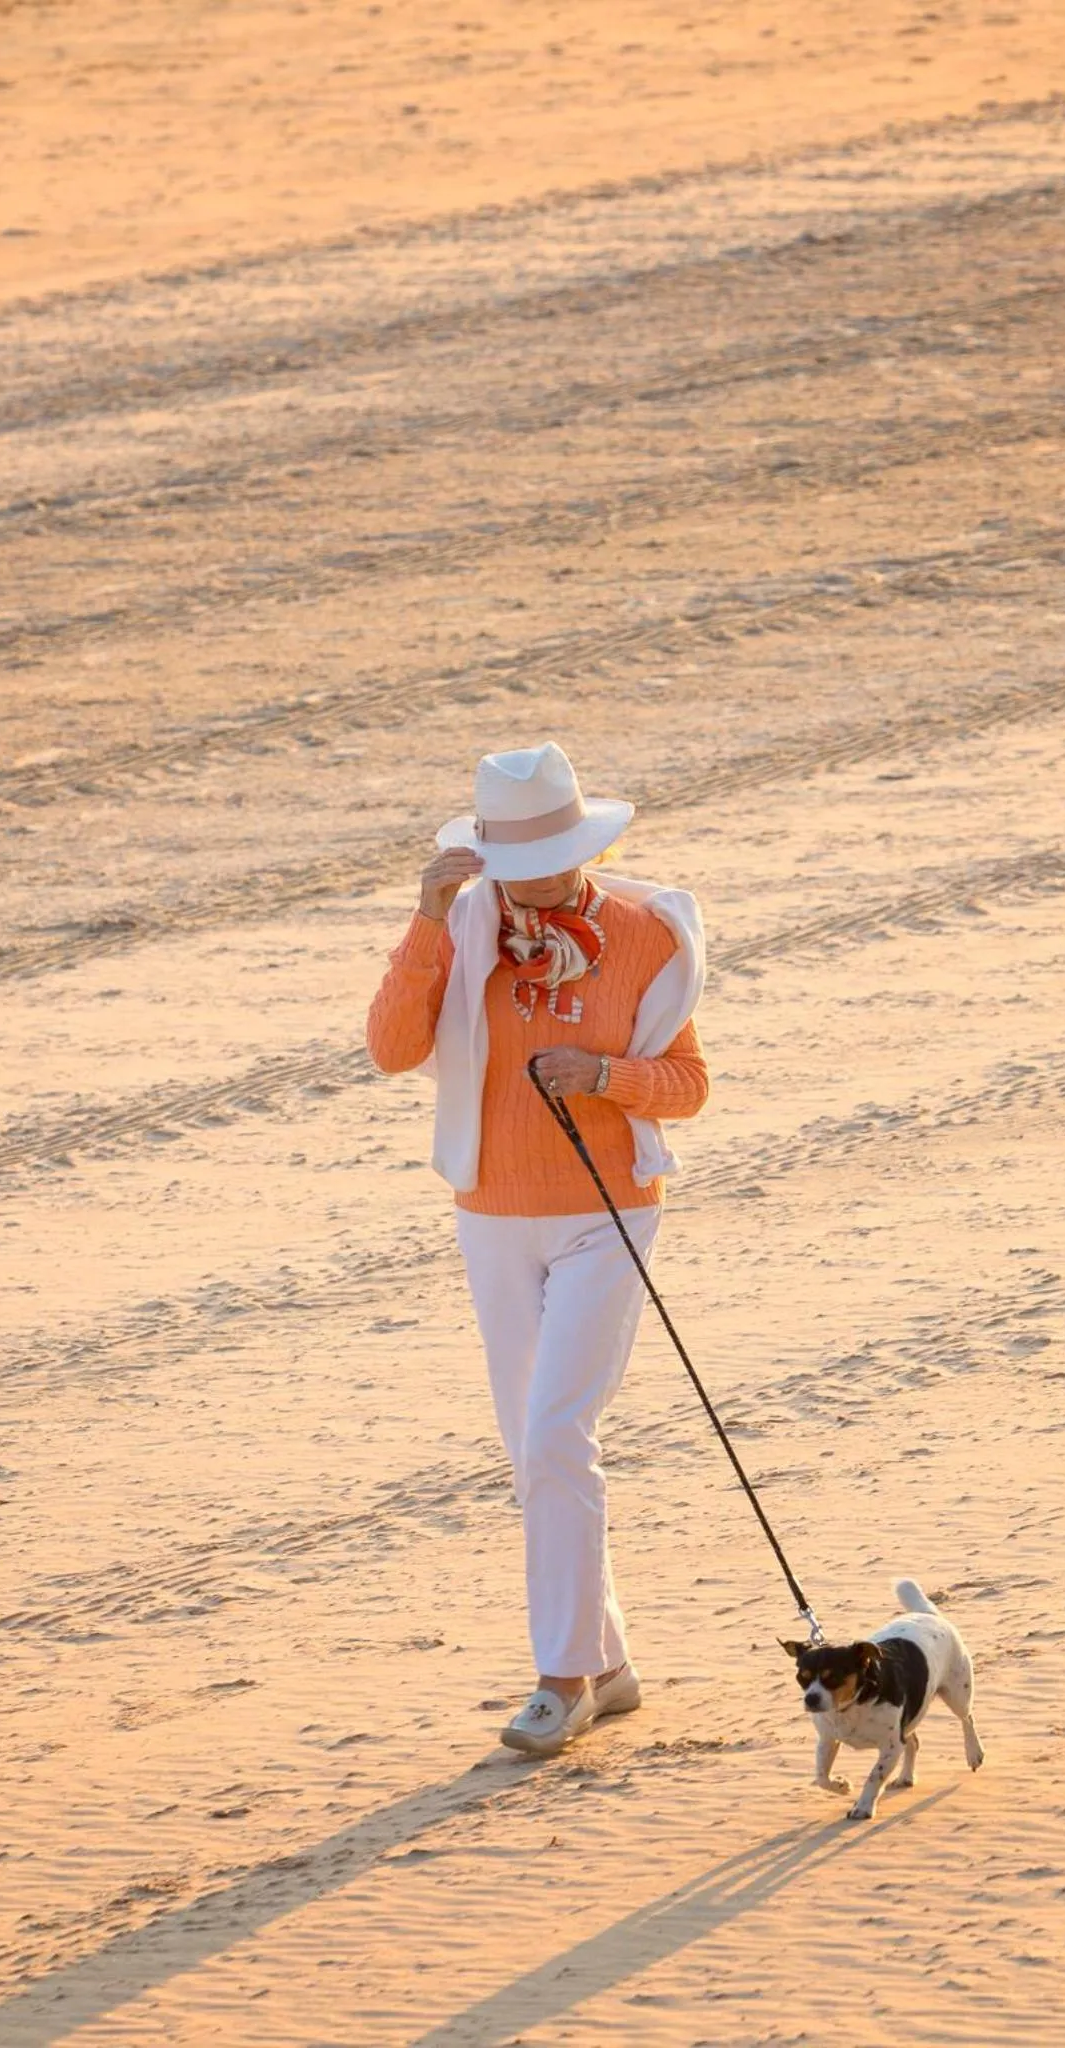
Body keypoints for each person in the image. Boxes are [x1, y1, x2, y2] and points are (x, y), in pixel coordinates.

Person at [367, 741, 708, 1755]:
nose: (532, 883)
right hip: (490, 1210)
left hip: (609, 1210)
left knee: (558, 1429)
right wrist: (427, 921)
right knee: (533, 1447)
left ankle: (561, 1678)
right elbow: (390, 1048)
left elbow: (687, 1084)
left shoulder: (647, 933)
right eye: (513, 864)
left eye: (552, 857)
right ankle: (606, 1659)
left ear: (582, 846)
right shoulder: (462, 924)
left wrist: (605, 1073)